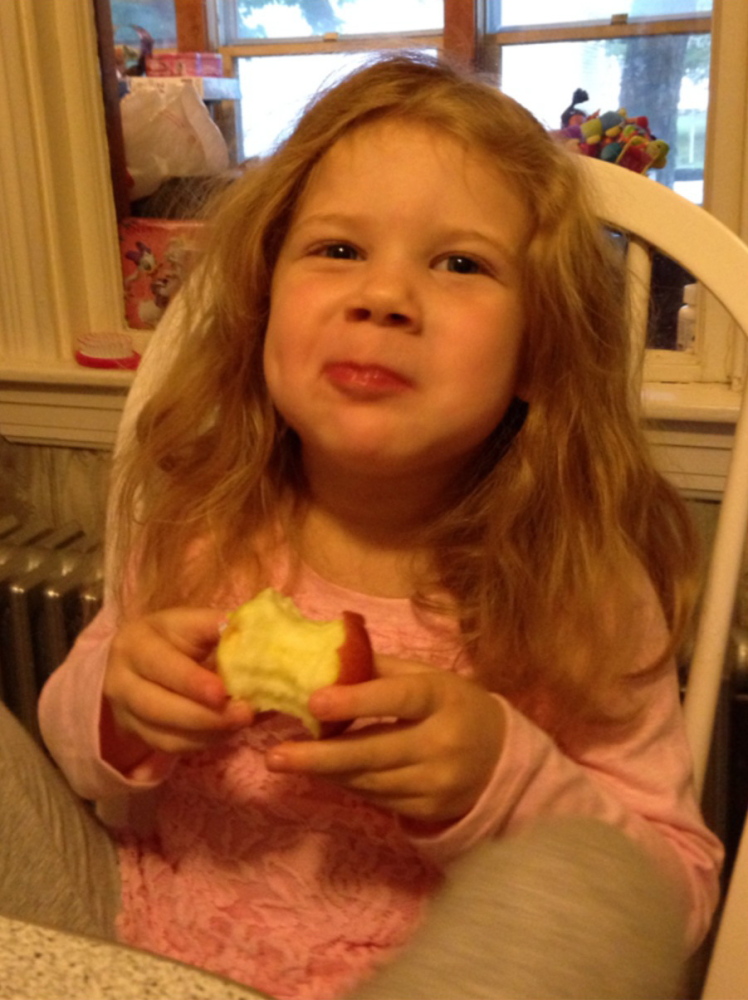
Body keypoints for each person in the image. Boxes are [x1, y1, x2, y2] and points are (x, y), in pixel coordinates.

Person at [8, 53, 722, 998]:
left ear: (536, 353)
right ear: (263, 305)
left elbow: (668, 902)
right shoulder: (201, 519)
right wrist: (114, 702)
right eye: (338, 250)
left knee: (582, 886)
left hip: (430, 980)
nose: (382, 296)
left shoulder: (579, 582)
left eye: (460, 263)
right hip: (141, 953)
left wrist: (503, 780)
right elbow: (90, 778)